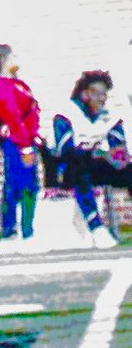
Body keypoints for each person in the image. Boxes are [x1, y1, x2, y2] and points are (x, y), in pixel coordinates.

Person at [45, 70, 126, 247]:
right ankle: (96, 226)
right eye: (98, 94)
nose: (103, 99)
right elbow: (64, 151)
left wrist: (117, 157)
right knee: (79, 166)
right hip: (62, 170)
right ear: (85, 94)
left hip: (92, 164)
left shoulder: (108, 116)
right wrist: (99, 154)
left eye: (105, 94)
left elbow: (119, 153)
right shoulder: (66, 114)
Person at [0, 44, 44, 254]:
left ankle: (21, 232)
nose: (17, 60)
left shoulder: (17, 84)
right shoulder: (3, 87)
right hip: (18, 144)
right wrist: (25, 145)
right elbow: (13, 118)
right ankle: (16, 234)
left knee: (26, 186)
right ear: (4, 60)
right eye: (14, 56)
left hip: (26, 140)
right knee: (20, 186)